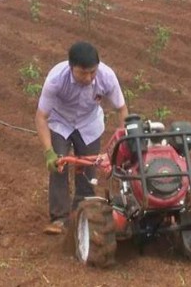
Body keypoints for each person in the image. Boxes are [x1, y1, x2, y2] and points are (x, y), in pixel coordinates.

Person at [35, 41, 129, 234]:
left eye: (92, 72)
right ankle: (59, 217)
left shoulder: (106, 76)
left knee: (88, 169)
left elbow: (122, 109)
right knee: (59, 165)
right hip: (60, 122)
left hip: (89, 124)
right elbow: (41, 116)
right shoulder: (56, 79)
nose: (88, 78)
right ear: (71, 68)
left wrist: (124, 140)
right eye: (82, 73)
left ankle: (81, 213)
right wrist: (48, 152)